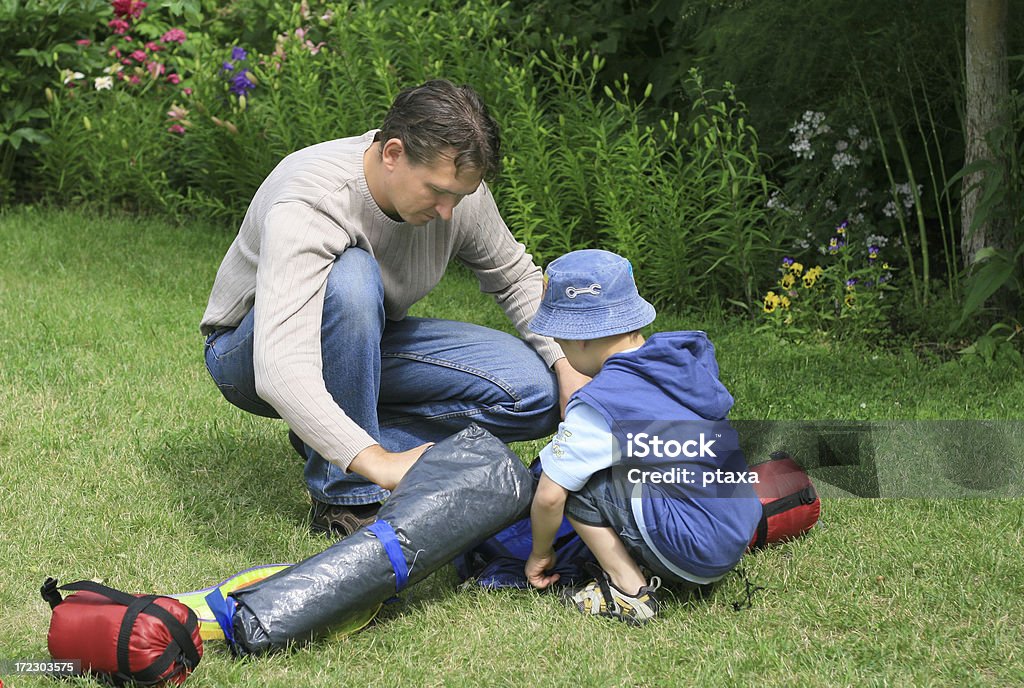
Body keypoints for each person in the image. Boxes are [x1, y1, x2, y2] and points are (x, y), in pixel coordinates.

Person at [200, 79, 588, 536]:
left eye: (460, 197)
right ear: (392, 154)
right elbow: (279, 366)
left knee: (535, 394)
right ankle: (347, 496)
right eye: (437, 192)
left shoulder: (458, 189)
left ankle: (329, 434)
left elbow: (516, 277)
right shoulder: (312, 197)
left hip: (368, 337)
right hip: (249, 354)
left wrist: (566, 365)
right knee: (351, 278)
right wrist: (379, 464)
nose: (449, 211)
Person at [524, 249, 761, 625]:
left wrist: (540, 555)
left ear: (580, 339)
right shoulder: (680, 362)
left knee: (572, 481)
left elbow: (550, 498)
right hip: (734, 530)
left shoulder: (601, 404)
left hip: (695, 552)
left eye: (561, 344)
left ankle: (630, 590)